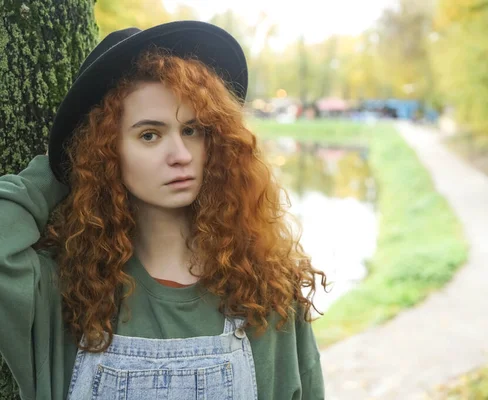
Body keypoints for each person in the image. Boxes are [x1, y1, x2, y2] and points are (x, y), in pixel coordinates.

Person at [0, 21, 328, 400]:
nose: (181, 156)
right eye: (149, 135)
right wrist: (62, 168)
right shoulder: (64, 293)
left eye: (192, 130)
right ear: (105, 153)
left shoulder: (265, 290)